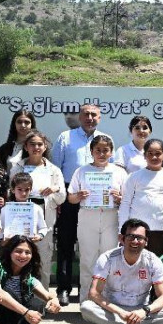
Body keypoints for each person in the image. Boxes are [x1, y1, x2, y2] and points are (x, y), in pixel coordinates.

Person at [81, 218, 163, 324]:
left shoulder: (153, 261)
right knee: (86, 308)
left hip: (141, 310)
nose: (135, 241)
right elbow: (94, 293)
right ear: (121, 239)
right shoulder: (107, 258)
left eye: (140, 238)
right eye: (130, 237)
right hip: (113, 310)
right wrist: (121, 313)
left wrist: (144, 311)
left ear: (146, 242)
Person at [51, 103, 103, 302]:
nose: (90, 118)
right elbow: (55, 170)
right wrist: (58, 200)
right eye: (86, 114)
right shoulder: (66, 138)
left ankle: (88, 288)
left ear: (99, 118)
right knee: (66, 243)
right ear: (80, 117)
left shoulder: (104, 139)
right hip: (68, 195)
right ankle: (63, 289)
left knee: (91, 245)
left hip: (96, 197)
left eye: (94, 115)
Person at [66, 134, 126, 303]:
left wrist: (119, 198)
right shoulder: (82, 171)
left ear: (111, 152)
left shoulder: (119, 172)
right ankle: (86, 300)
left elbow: (127, 199)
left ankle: (106, 301)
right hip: (87, 215)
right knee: (88, 258)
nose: (101, 153)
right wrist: (78, 195)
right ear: (91, 151)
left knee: (109, 258)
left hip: (111, 216)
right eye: (98, 150)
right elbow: (71, 198)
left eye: (105, 150)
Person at [7, 130, 65, 286]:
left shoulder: (53, 170)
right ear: (25, 146)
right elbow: (10, 192)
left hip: (44, 221)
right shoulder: (18, 167)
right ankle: (18, 301)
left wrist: (55, 190)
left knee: (42, 264)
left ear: (45, 147)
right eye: (32, 144)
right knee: (18, 263)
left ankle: (41, 303)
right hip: (19, 221)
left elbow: (62, 198)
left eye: (40, 144)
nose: (36, 147)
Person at [119, 139, 163, 256]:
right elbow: (125, 204)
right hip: (136, 233)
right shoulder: (133, 177)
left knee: (158, 269)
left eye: (158, 153)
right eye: (150, 153)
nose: (154, 157)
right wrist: (122, 230)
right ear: (144, 155)